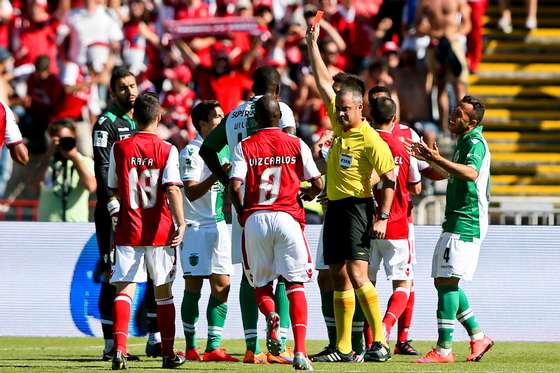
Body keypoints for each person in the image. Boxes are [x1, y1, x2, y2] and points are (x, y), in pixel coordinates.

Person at [306, 21, 396, 363]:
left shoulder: (370, 138)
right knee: (339, 275)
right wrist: (312, 44)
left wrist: (383, 217)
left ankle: (380, 341)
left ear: (361, 108)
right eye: (339, 107)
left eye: (346, 108)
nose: (340, 111)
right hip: (336, 210)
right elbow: (322, 82)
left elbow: (389, 179)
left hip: (359, 208)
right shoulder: (339, 128)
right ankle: (344, 348)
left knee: (358, 275)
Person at [199, 65, 296, 365]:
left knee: (249, 275)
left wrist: (226, 180)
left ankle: (252, 346)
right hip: (276, 201)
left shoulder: (233, 115)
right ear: (277, 91)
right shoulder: (282, 110)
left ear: (251, 88)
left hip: (243, 204)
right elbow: (288, 149)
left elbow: (206, 149)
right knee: (282, 274)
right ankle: (279, 344)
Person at [229, 94, 323, 371]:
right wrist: (305, 194)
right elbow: (316, 182)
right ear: (280, 118)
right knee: (295, 285)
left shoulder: (245, 145)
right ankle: (301, 353)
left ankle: (270, 315)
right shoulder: (296, 143)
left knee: (261, 285)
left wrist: (242, 212)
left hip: (256, 217)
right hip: (287, 218)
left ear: (256, 119)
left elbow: (235, 185)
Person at [412, 95, 493, 363]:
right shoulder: (464, 141)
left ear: (471, 122)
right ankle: (478, 337)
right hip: (456, 219)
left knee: (448, 281)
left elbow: (470, 173)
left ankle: (444, 349)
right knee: (443, 281)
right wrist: (431, 159)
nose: (453, 114)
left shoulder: (475, 142)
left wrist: (438, 158)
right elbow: (454, 173)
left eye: (459, 113)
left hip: (467, 220)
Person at [108, 92, 186, 370]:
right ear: (159, 117)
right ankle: (167, 353)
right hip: (159, 231)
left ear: (133, 116)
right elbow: (173, 188)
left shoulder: (120, 147)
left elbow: (114, 187)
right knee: (163, 293)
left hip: (129, 228)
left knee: (125, 290)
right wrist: (182, 221)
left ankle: (119, 349)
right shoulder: (168, 149)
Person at [92, 67, 159, 360]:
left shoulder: (144, 120)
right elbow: (103, 167)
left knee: (158, 273)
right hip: (116, 211)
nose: (130, 91)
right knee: (113, 274)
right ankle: (110, 345)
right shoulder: (106, 123)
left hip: (145, 211)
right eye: (123, 87)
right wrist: (112, 204)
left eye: (132, 85)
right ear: (113, 92)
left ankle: (155, 339)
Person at [178, 100, 238, 362]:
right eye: (217, 117)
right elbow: (190, 192)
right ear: (202, 124)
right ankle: (191, 346)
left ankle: (213, 347)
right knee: (193, 286)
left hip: (218, 224)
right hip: (195, 228)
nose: (222, 120)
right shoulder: (190, 152)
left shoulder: (224, 149)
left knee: (222, 285)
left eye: (223, 116)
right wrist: (217, 175)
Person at [367, 95, 422, 349]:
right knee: (403, 284)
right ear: (394, 119)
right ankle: (385, 331)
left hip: (366, 224)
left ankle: (367, 342)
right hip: (397, 224)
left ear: (369, 117)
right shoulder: (403, 147)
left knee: (366, 285)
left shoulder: (362, 143)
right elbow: (416, 186)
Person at [416, 0, 471, 135]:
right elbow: (418, 26)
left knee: (459, 87)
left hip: (453, 44)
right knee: (440, 87)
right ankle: (444, 127)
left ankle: (462, 125)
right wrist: (432, 32)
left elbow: (467, 24)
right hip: (435, 45)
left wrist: (455, 35)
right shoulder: (425, 2)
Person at [38, 120, 96, 222]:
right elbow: (33, 184)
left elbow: (91, 186)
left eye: (67, 139)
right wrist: (48, 155)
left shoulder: (85, 162)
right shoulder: (46, 163)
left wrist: (74, 158)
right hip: (47, 228)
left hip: (77, 227)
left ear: (75, 139)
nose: (63, 143)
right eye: (58, 140)